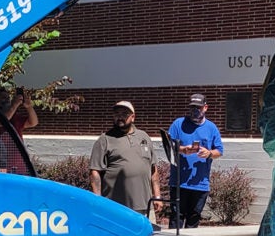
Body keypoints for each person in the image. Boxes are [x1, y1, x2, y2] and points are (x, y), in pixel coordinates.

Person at [89, 100, 163, 217]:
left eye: (124, 114)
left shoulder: (144, 137)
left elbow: (153, 169)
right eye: (117, 114)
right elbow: (95, 172)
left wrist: (157, 196)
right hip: (116, 207)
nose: (120, 117)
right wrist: (98, 201)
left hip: (145, 206)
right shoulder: (105, 140)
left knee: (148, 235)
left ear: (133, 117)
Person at [167, 92, 224, 227]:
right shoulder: (178, 124)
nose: (195, 111)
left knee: (194, 219)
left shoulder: (211, 128)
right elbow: (168, 146)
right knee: (177, 217)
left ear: (205, 108)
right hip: (179, 182)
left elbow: (219, 151)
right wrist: (182, 149)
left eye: (198, 108)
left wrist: (209, 153)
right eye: (192, 107)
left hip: (200, 183)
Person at [0, 86, 38, 172]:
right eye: (3, 98)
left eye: (8, 98)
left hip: (18, 168)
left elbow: (33, 122)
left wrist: (29, 107)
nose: (7, 100)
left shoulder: (14, 117)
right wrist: (14, 105)